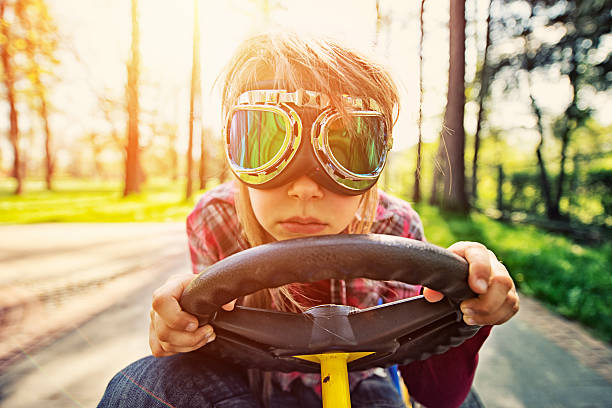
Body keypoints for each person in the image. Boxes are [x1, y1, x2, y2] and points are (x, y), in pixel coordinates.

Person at [98, 31, 519, 408]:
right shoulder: (215, 218)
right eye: (265, 142)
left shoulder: (397, 226)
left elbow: (437, 394)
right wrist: (180, 330)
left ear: (378, 160)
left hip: (363, 386)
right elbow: (208, 351)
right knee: (140, 386)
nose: (304, 187)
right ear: (233, 148)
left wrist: (467, 307)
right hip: (247, 385)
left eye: (346, 149)